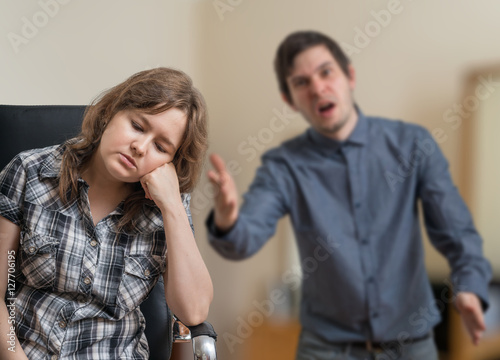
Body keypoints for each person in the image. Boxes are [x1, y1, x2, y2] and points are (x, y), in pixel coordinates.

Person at [206, 31, 492, 360]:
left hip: (412, 346)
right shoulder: (283, 165)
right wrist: (228, 220)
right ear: (290, 100)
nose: (317, 88)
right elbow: (245, 237)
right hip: (326, 350)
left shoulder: (413, 144)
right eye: (301, 82)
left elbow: (457, 231)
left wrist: (470, 285)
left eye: (326, 72)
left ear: (349, 76)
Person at [0, 67, 213, 359]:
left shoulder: (168, 207)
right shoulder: (30, 172)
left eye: (161, 147)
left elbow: (194, 311)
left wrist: (173, 207)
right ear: (110, 112)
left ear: (171, 162)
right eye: (137, 126)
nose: (140, 147)